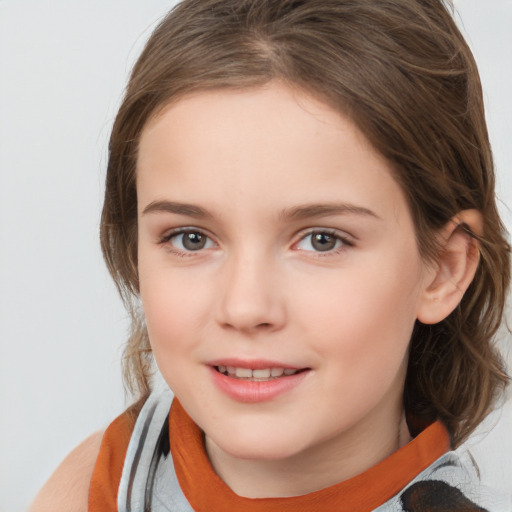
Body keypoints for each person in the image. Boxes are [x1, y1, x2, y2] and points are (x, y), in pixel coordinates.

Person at [30, 0, 511, 510]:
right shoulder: (98, 483)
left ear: (443, 268)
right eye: (191, 238)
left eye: (322, 240)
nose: (245, 307)